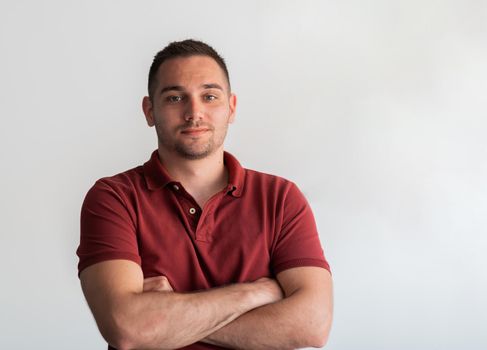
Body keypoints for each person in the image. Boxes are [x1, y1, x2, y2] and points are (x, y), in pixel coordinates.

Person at [77, 39, 333, 350]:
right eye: (174, 98)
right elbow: (127, 328)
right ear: (149, 110)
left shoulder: (280, 198)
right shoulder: (113, 198)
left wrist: (166, 318)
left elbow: (312, 325)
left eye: (209, 96)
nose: (194, 112)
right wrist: (252, 294)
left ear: (232, 107)